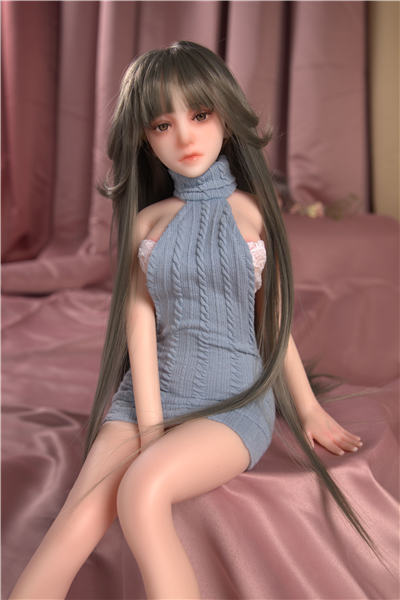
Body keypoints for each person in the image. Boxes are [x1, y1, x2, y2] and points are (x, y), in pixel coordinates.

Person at [10, 41, 371, 600]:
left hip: (235, 400)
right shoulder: (146, 223)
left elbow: (274, 322)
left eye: (200, 115)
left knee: (141, 490)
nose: (185, 137)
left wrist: (308, 409)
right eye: (162, 124)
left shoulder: (253, 212)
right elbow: (139, 331)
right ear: (143, 138)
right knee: (69, 530)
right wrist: (151, 429)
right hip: (145, 398)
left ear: (225, 115)